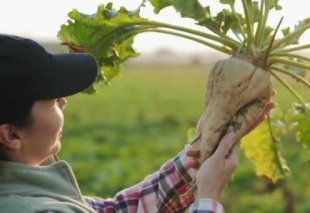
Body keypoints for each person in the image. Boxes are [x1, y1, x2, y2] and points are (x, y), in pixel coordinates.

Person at [0, 34, 273, 213]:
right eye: (52, 98)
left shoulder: (30, 189)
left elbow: (113, 210)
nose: (63, 102)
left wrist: (199, 153)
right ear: (11, 134)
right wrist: (208, 196)